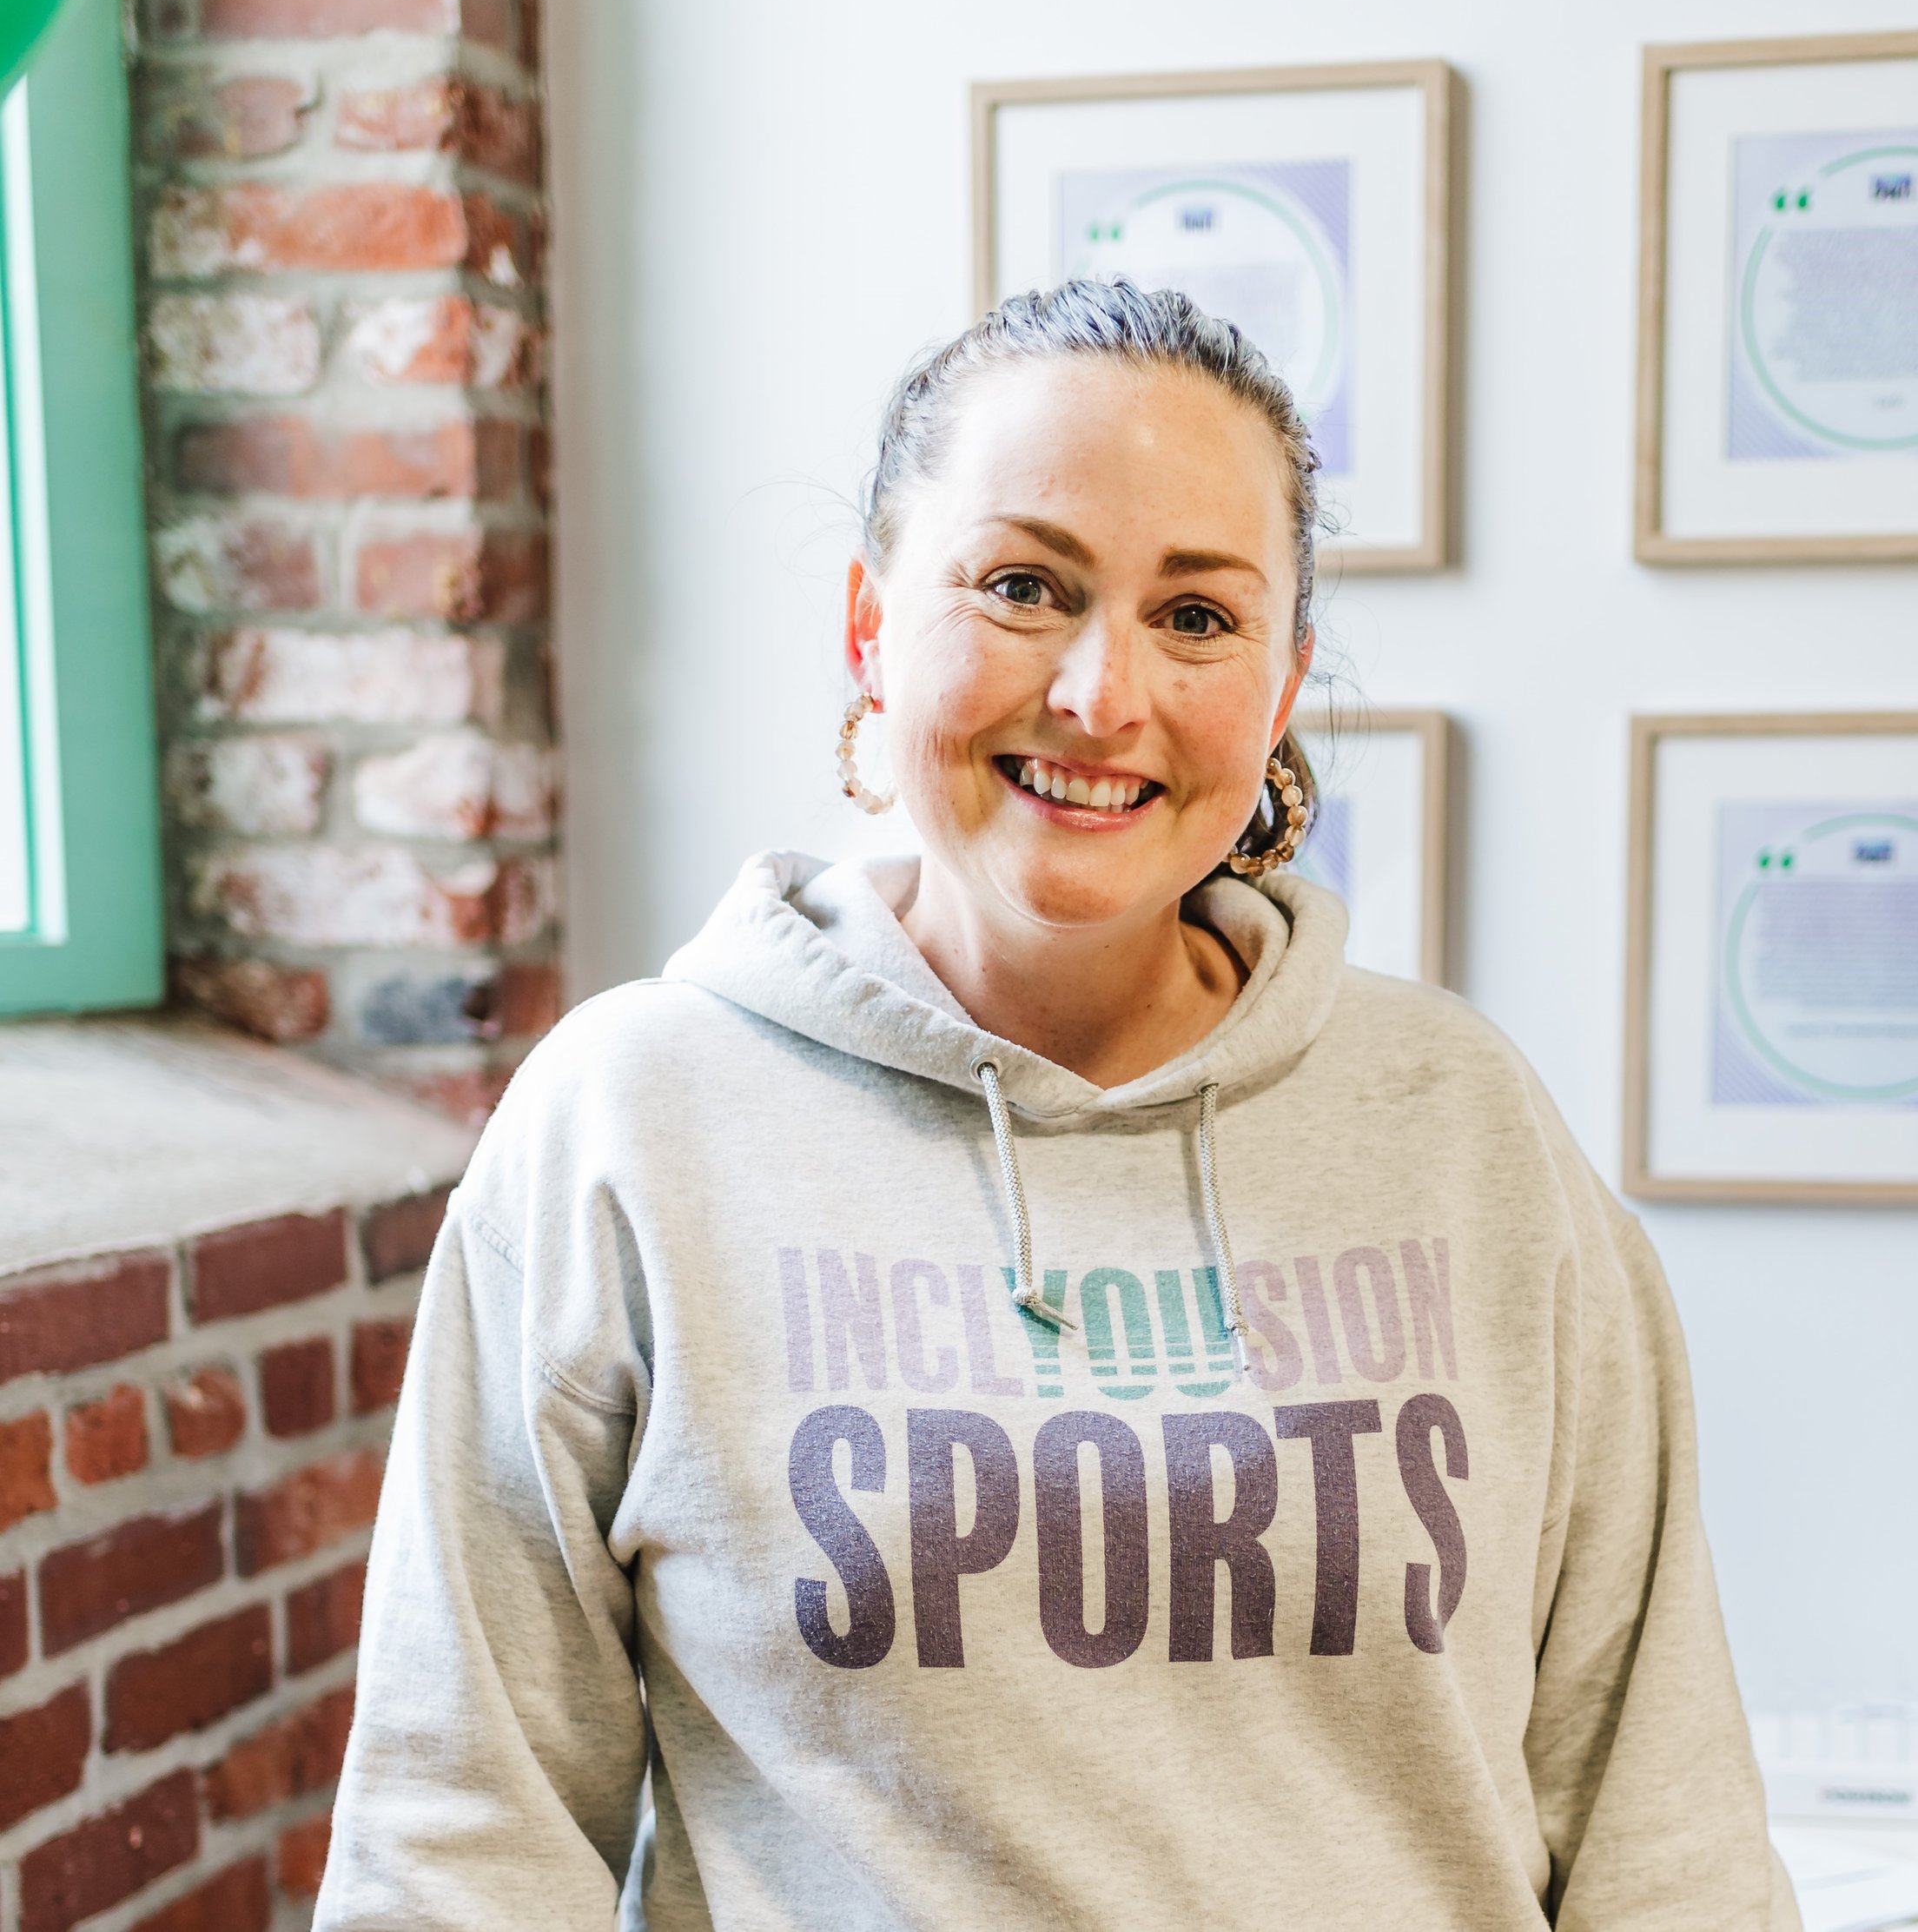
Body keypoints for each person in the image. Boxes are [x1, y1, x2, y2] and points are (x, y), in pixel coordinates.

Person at [317, 279, 1798, 1930]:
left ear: (1285, 679)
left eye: (1198, 616)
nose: (1104, 695)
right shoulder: (628, 1129)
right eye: (1025, 585)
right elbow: (461, 1846)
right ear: (873, 628)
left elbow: (1661, 1826)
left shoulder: (1469, 1129)